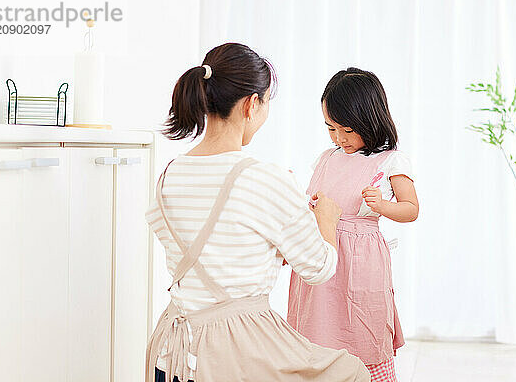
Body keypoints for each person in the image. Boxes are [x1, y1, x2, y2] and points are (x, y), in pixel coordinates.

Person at [144, 43, 370, 382]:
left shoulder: (167, 176)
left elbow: (213, 251)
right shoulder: (263, 178)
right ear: (252, 104)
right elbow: (319, 268)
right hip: (235, 350)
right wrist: (325, 220)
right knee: (351, 372)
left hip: (172, 353)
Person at [287, 67, 419, 382]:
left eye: (346, 129)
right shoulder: (326, 158)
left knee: (362, 329)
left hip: (360, 262)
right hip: (320, 252)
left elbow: (411, 209)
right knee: (316, 327)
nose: (338, 138)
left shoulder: (390, 162)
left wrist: (383, 206)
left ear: (369, 121)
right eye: (330, 128)